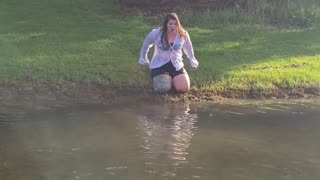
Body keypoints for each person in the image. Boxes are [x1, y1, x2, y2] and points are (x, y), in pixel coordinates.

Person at [138, 12, 199, 93]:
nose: (173, 26)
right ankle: (165, 79)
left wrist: (193, 62)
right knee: (163, 88)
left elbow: (188, 48)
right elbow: (146, 44)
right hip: (160, 65)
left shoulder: (183, 34)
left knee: (183, 88)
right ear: (166, 24)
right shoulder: (156, 33)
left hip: (176, 65)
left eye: (175, 24)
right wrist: (143, 59)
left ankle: (173, 79)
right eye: (170, 24)